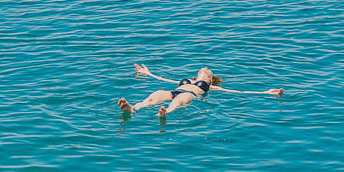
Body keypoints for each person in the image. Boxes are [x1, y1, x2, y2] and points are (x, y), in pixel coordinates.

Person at [118, 63, 284, 117]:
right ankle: (133, 108)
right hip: (172, 91)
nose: (205, 67)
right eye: (203, 68)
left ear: (210, 78)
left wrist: (265, 93)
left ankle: (165, 113)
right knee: (152, 98)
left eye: (208, 70)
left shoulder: (211, 86)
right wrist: (147, 73)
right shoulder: (187, 80)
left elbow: (238, 93)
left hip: (189, 95)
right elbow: (162, 79)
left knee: (177, 102)